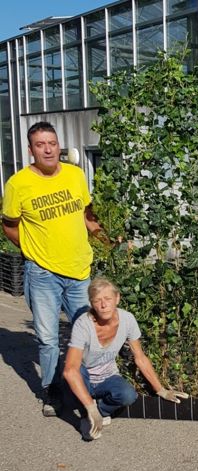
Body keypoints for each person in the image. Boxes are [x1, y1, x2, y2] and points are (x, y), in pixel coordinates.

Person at [1, 121, 109, 417]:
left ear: (58, 145)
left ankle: (86, 385)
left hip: (78, 271)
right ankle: (52, 390)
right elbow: (9, 225)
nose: (47, 149)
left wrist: (107, 239)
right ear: (31, 149)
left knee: (85, 333)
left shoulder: (75, 175)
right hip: (43, 275)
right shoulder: (18, 184)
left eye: (52, 143)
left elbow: (87, 215)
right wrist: (31, 251)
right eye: (40, 144)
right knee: (48, 339)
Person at [63, 277, 188, 441]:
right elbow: (70, 370)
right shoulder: (83, 324)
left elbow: (140, 357)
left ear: (117, 298)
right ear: (92, 303)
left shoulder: (127, 320)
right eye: (97, 300)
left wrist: (161, 390)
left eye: (107, 299)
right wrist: (90, 407)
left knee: (128, 395)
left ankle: (99, 412)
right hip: (83, 377)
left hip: (106, 376)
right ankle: (87, 411)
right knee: (77, 369)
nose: (103, 305)